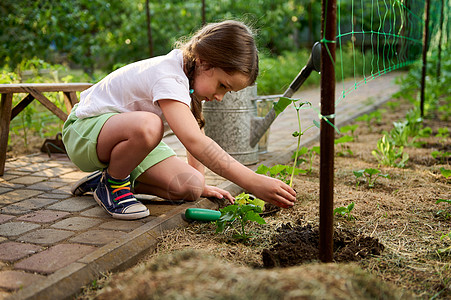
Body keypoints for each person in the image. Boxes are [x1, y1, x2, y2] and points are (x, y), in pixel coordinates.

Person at [63, 20, 296, 220]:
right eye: (222, 85)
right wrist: (252, 181)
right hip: (84, 131)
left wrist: (201, 183)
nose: (220, 96)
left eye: (228, 92)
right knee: (149, 126)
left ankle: (107, 176)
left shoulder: (193, 81)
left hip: (127, 139)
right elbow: (195, 142)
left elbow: (194, 134)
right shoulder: (169, 76)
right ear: (204, 62)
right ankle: (113, 184)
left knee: (191, 186)